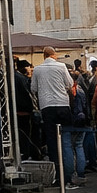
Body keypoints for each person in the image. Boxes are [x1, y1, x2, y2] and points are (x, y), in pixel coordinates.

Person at [31, 45, 76, 174]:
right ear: (54, 55)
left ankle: (57, 173)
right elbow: (69, 84)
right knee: (66, 140)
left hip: (47, 106)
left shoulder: (38, 69)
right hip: (62, 104)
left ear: (44, 56)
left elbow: (33, 88)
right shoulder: (61, 67)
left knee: (52, 140)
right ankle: (68, 174)